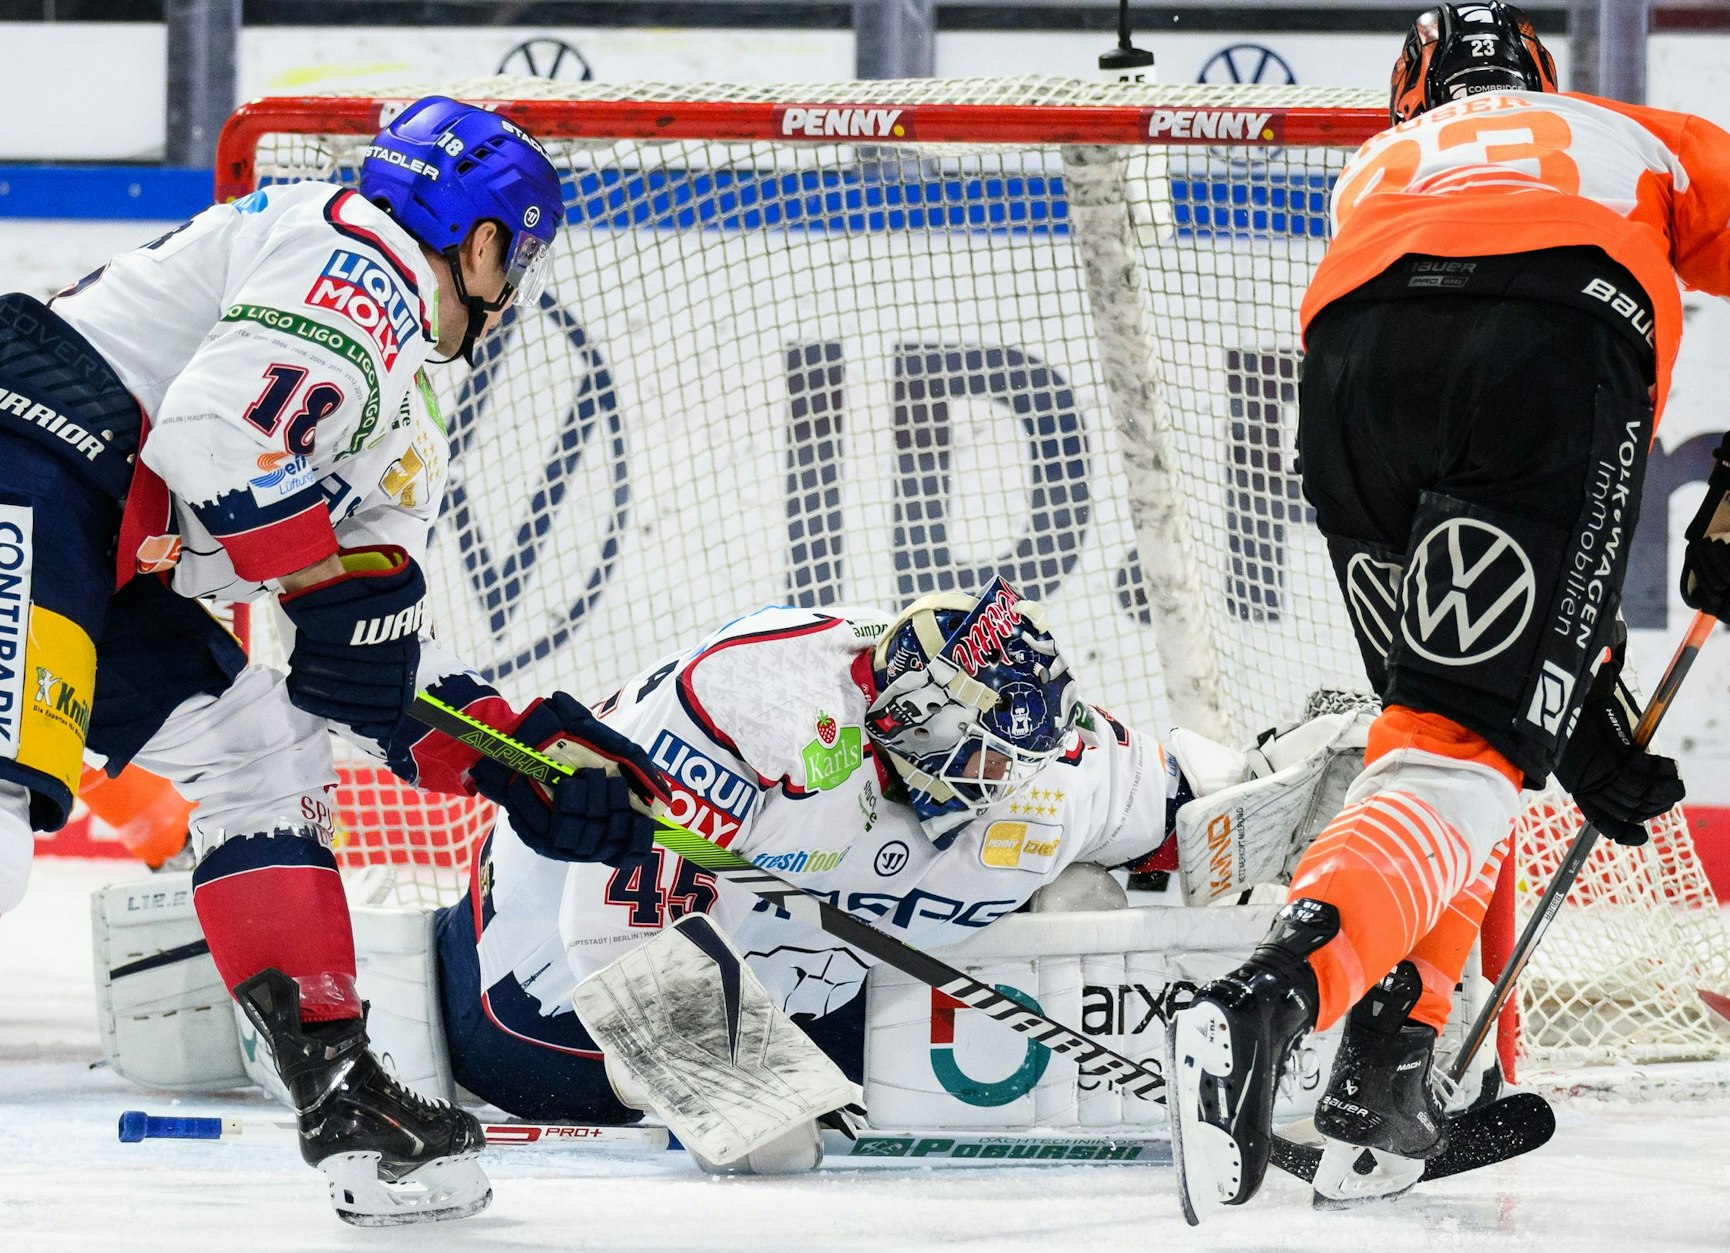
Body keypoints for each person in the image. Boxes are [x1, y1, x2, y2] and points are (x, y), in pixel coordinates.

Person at [1168, 1, 1730, 1214]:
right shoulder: (1633, 132)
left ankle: (1388, 1064)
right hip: (1545, 340)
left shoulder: (1378, 164)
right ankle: (1270, 1001)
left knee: (1444, 739)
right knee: (1459, 753)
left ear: (1410, 91)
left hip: (1349, 374)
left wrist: (1577, 719)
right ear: (1540, 76)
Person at [0, 97, 667, 1224]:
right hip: (32, 460)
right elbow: (214, 433)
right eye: (519, 254)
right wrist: (323, 582)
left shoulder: (399, 414)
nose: (514, 286)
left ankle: (343, 1091)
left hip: (102, 545)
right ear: (484, 242)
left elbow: (360, 667)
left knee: (264, 750)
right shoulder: (361, 251)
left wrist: (521, 761)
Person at [432, 577, 1189, 1153]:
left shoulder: (1044, 762)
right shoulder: (760, 703)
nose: (1014, 779)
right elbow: (615, 932)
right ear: (919, 723)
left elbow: (1198, 816)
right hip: (537, 1015)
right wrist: (746, 1099)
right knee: (777, 1155)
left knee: (1080, 894)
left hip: (801, 983)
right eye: (993, 757)